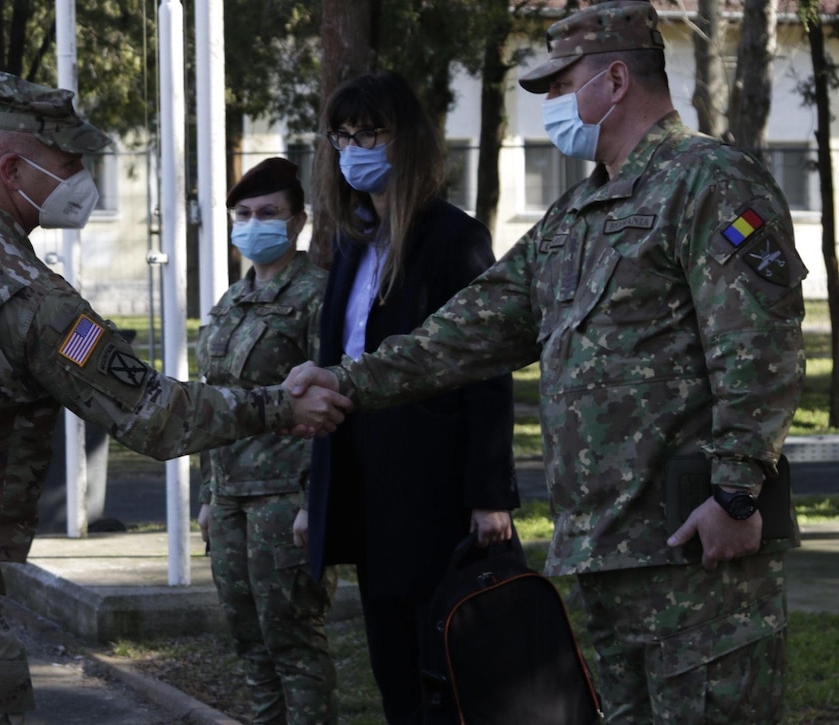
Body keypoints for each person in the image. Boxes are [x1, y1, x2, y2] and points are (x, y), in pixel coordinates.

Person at [285, 3, 806, 723]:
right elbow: (464, 333)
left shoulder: (710, 181)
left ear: (616, 79)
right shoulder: (574, 218)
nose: (553, 107)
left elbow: (761, 345)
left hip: (698, 555)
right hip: (606, 557)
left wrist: (737, 493)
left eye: (561, 88)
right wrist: (344, 379)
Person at [0, 70, 349, 724]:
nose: (83, 176)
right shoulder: (31, 297)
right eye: (70, 161)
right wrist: (281, 405)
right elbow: (155, 415)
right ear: (15, 168)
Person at [308, 70, 519, 724]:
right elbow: (336, 361)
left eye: (370, 132)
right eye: (342, 136)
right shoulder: (351, 244)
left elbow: (486, 365)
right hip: (365, 481)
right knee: (392, 666)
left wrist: (489, 494)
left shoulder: (453, 239)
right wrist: (314, 491)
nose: (354, 149)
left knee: (449, 671)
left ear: (407, 141)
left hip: (434, 487)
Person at [195, 157, 337, 724]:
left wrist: (314, 503)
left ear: (298, 221)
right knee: (250, 644)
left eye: (269, 213)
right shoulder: (231, 302)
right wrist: (209, 494)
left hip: (286, 496)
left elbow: (336, 402)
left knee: (293, 643)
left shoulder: (319, 296)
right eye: (245, 214)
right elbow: (215, 403)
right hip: (230, 497)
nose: (255, 224)